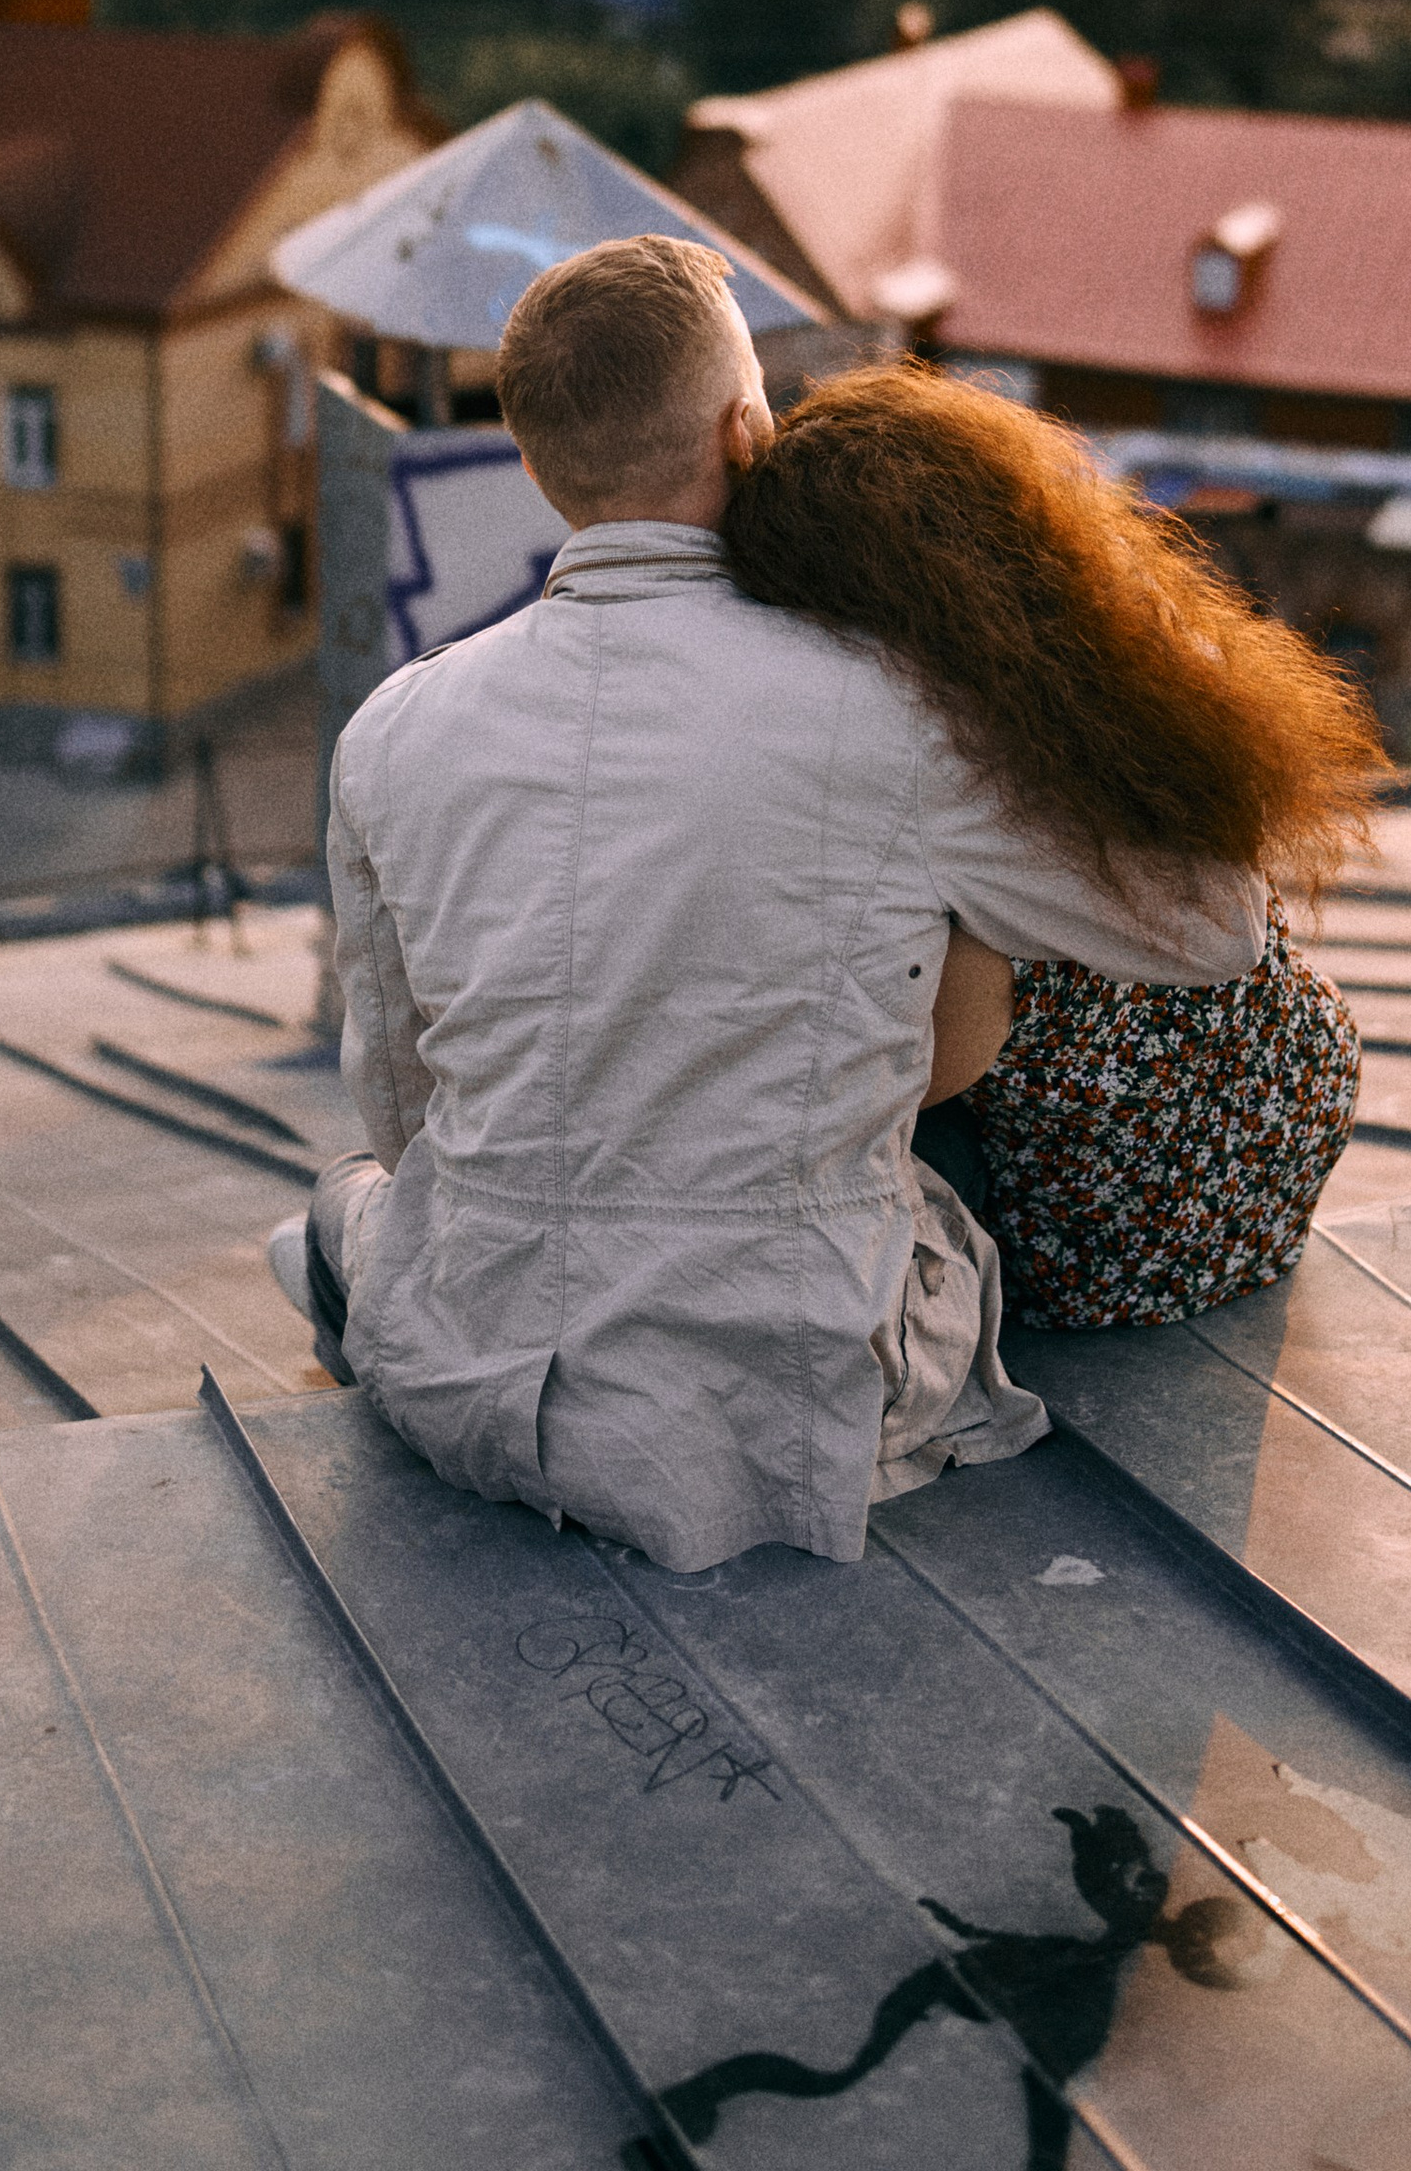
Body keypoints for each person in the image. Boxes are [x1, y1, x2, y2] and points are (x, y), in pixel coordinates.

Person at [283, 233, 1121, 1575]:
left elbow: (402, 1113)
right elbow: (1211, 930)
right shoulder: (898, 705)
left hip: (471, 1380)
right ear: (745, 430)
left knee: (343, 1200)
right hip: (798, 1417)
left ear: (535, 465)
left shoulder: (391, 729)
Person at [717, 366, 1384, 1331]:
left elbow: (907, 1080)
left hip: (1128, 1221)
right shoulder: (1109, 655)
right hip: (1293, 1105)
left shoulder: (945, 786)